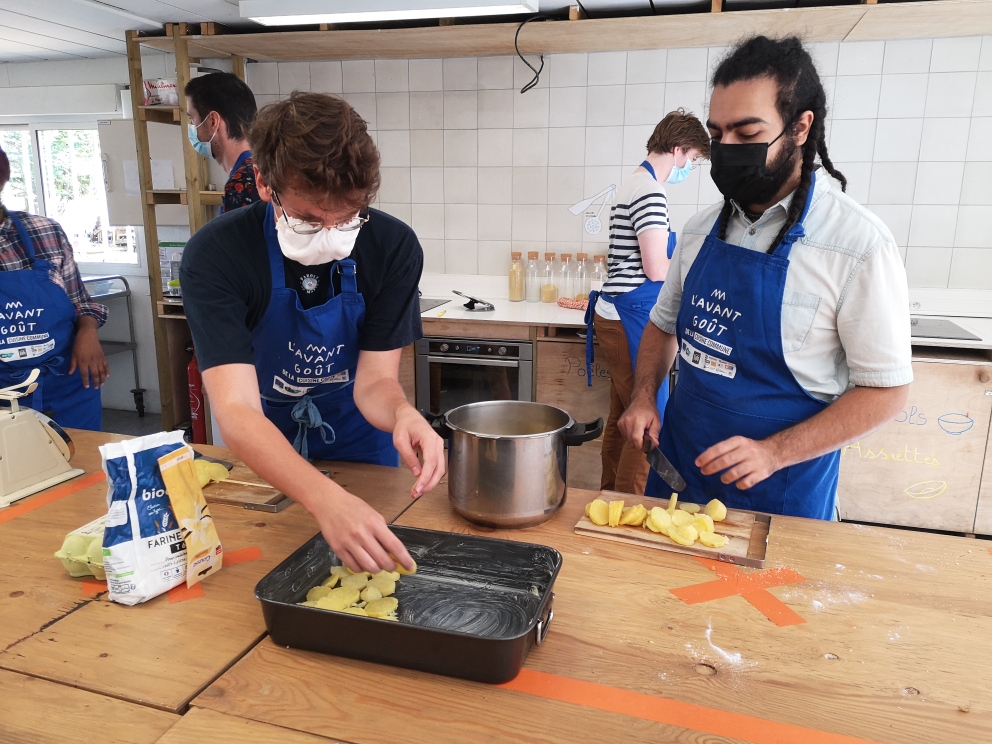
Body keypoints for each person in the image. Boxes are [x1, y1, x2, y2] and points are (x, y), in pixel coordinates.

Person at [618, 36, 912, 520]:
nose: (726, 148)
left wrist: (774, 452)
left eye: (747, 132)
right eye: (717, 134)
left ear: (799, 127)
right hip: (679, 477)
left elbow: (886, 391)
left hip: (783, 495)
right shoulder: (698, 232)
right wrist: (644, 395)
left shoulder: (856, 245)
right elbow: (662, 325)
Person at [180, 93, 443, 572]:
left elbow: (375, 383)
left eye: (348, 218)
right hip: (263, 446)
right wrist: (324, 498)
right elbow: (236, 409)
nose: (330, 235)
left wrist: (404, 412)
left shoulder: (392, 246)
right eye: (307, 220)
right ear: (263, 182)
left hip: (362, 440)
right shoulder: (217, 256)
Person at [584, 110, 709, 496]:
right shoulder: (650, 190)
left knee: (623, 416)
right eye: (692, 160)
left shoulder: (632, 183)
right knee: (647, 421)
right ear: (677, 150)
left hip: (617, 311)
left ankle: (609, 499)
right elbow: (657, 269)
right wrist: (697, 267)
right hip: (632, 313)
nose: (689, 168)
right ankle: (628, 512)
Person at [0, 147, 108, 430]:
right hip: (3, 398)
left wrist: (87, 331)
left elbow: (80, 302)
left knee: (81, 469)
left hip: (66, 388)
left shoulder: (44, 232)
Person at [185, 72, 260, 213]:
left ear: (213, 121)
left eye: (192, 118)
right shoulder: (262, 168)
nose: (191, 126)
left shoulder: (241, 184)